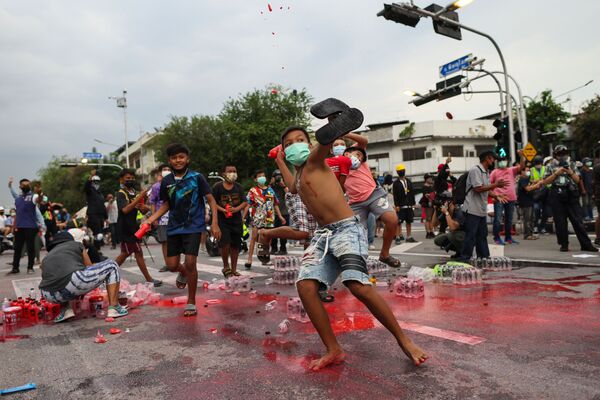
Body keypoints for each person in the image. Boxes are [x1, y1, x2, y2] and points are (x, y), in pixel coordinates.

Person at [278, 122, 427, 371]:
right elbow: (292, 186)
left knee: (357, 286)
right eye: (289, 144)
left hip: (346, 229)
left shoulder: (316, 161)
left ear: (310, 143)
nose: (295, 146)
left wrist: (337, 121)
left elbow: (324, 141)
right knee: (305, 286)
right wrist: (279, 160)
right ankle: (333, 349)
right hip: (324, 236)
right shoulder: (301, 177)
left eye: (300, 140)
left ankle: (404, 340)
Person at [143, 143, 221, 317]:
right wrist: (150, 219)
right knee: (172, 266)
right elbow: (166, 205)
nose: (178, 160)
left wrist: (214, 223)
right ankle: (183, 273)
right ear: (169, 160)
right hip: (174, 228)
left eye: (181, 157)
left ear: (187, 158)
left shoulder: (197, 177)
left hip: (194, 226)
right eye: (174, 158)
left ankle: (191, 301)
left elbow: (211, 200)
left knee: (191, 263)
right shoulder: (166, 181)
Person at [39, 231, 128, 323]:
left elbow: (48, 275)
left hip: (48, 294)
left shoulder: (47, 256)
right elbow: (88, 266)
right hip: (72, 283)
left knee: (60, 277)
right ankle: (114, 307)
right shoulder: (76, 244)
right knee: (112, 265)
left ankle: (65, 310)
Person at [343, 134, 400, 268]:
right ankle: (356, 264)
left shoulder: (358, 159)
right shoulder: (334, 164)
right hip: (355, 203)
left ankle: (384, 254)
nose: (355, 156)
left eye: (358, 155)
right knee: (354, 235)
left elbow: (363, 141)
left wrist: (345, 133)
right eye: (336, 145)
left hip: (374, 195)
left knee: (392, 220)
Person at [538, 145, 597, 252]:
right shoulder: (550, 166)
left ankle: (586, 244)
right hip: (557, 193)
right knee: (560, 222)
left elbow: (578, 179)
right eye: (560, 154)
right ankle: (564, 244)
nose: (563, 156)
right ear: (555, 155)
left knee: (578, 220)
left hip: (571, 194)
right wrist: (556, 173)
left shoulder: (572, 164)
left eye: (564, 154)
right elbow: (545, 181)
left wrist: (570, 172)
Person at [113, 169, 162, 287]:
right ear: (121, 180)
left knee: (128, 253)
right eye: (127, 178)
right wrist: (138, 199)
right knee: (132, 253)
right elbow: (125, 210)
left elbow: (143, 210)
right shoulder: (121, 193)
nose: (130, 180)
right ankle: (149, 279)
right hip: (125, 229)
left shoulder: (134, 192)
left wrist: (143, 206)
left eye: (131, 178)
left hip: (133, 227)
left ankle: (105, 274)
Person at [460, 151, 509, 261]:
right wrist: (496, 185)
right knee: (471, 235)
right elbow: (478, 188)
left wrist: (496, 195)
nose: (494, 161)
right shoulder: (475, 170)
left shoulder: (486, 172)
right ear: (487, 158)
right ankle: (465, 258)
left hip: (480, 209)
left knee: (482, 235)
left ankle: (484, 257)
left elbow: (485, 189)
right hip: (472, 209)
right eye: (493, 159)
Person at [211, 164, 247, 277]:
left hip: (236, 220)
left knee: (236, 245)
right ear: (224, 174)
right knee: (225, 243)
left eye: (234, 171)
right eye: (230, 171)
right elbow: (212, 203)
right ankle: (226, 266)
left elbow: (245, 202)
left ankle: (234, 269)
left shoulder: (239, 187)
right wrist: (223, 210)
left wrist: (236, 209)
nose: (232, 173)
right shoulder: (217, 187)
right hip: (222, 220)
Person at [245, 170, 285, 268]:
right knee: (254, 237)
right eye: (259, 176)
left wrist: (280, 216)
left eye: (263, 175)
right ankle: (249, 259)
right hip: (257, 217)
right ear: (255, 179)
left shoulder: (270, 190)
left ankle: (265, 258)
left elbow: (275, 204)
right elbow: (247, 204)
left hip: (270, 217)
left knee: (268, 238)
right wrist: (243, 217)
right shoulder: (252, 191)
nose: (262, 177)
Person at [489, 150, 526, 245]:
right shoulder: (494, 172)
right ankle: (496, 238)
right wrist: (493, 196)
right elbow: (489, 185)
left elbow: (522, 166)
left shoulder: (511, 170)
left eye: (504, 160)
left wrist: (521, 156)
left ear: (507, 162)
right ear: (498, 162)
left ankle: (508, 238)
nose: (503, 162)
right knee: (498, 219)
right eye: (501, 160)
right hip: (499, 198)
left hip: (511, 198)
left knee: (509, 219)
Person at [8, 177, 43, 273]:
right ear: (20, 187)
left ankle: (30, 268)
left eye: (28, 184)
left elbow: (39, 200)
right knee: (17, 248)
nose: (26, 186)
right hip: (19, 227)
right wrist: (10, 185)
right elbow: (13, 193)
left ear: (30, 186)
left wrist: (39, 193)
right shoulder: (18, 198)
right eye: (24, 185)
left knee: (30, 248)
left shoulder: (33, 196)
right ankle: (15, 268)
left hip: (31, 227)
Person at [148, 164, 172, 272]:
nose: (166, 171)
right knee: (165, 242)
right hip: (161, 217)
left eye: (168, 169)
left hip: (174, 217)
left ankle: (175, 264)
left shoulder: (175, 184)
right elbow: (153, 203)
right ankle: (168, 264)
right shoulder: (156, 187)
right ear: (160, 173)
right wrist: (154, 218)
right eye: (164, 170)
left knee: (176, 241)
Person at [433, 191, 465, 258]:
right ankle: (458, 251)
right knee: (438, 239)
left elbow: (453, 227)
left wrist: (446, 213)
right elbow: (434, 224)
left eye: (443, 201)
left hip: (467, 236)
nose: (442, 203)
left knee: (452, 235)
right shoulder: (446, 210)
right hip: (458, 236)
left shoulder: (459, 210)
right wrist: (435, 210)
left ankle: (464, 253)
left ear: (449, 202)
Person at [392, 164, 416, 244]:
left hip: (409, 204)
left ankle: (409, 236)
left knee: (409, 221)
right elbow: (395, 195)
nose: (402, 172)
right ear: (398, 172)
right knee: (399, 222)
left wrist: (413, 203)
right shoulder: (396, 183)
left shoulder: (408, 181)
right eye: (400, 171)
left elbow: (412, 192)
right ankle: (398, 237)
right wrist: (397, 205)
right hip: (400, 205)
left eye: (402, 170)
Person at [84, 170, 108, 250]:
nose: (96, 183)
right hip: (93, 215)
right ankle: (95, 250)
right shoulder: (90, 191)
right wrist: (90, 176)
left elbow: (103, 206)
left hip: (100, 216)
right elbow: (86, 186)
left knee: (100, 235)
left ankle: (97, 249)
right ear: (92, 182)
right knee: (97, 234)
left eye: (98, 181)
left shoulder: (100, 194)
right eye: (95, 181)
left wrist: (106, 218)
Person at [270, 170, 290, 255]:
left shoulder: (285, 185)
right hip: (273, 213)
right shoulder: (271, 186)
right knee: (273, 232)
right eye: (276, 177)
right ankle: (274, 248)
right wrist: (271, 183)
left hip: (284, 212)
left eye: (279, 176)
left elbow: (289, 193)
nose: (278, 179)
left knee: (283, 232)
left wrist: (283, 184)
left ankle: (283, 249)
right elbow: (267, 193)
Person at [517, 166, 540, 240]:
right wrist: (536, 185)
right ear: (522, 172)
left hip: (530, 201)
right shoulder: (523, 179)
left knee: (531, 218)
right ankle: (527, 235)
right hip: (525, 202)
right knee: (527, 219)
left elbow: (530, 185)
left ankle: (531, 233)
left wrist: (536, 183)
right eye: (527, 170)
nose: (528, 172)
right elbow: (527, 188)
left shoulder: (527, 179)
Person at [530, 155, 549, 235]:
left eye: (539, 163)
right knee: (536, 210)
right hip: (536, 193)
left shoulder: (546, 168)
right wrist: (537, 181)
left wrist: (543, 181)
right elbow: (530, 180)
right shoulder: (531, 170)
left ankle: (543, 227)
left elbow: (549, 178)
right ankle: (535, 226)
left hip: (546, 192)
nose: (538, 165)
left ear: (542, 163)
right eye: (536, 163)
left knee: (546, 212)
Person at [420, 174, 436, 238]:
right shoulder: (425, 186)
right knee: (428, 219)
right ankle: (428, 233)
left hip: (431, 204)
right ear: (426, 179)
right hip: (427, 204)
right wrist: (430, 199)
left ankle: (431, 231)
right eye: (429, 178)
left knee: (431, 219)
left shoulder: (431, 186)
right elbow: (426, 195)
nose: (431, 179)